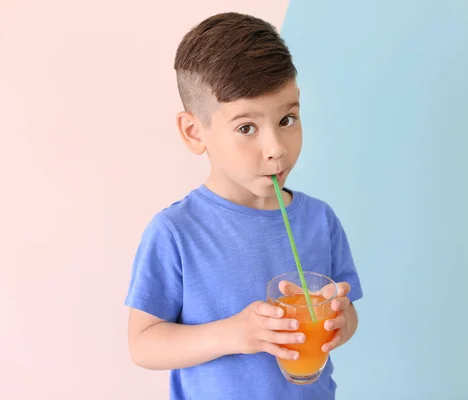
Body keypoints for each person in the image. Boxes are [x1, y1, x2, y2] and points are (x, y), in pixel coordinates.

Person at [124, 12, 363, 400]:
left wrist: (341, 320)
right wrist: (236, 333)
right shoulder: (176, 232)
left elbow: (348, 316)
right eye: (246, 128)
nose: (276, 149)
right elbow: (144, 345)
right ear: (194, 131)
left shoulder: (320, 220)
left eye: (287, 119)